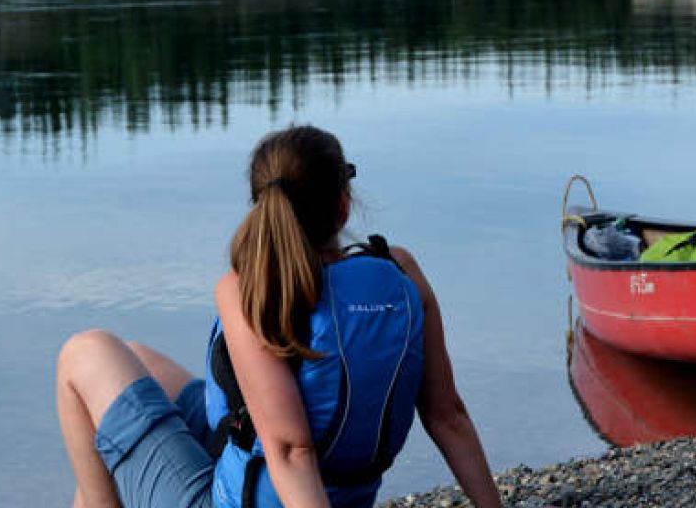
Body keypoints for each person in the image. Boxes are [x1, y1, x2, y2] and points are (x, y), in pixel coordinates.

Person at [55, 125, 504, 508]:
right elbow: (449, 418)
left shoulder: (245, 290)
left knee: (84, 353)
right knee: (134, 361)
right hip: (324, 489)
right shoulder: (402, 272)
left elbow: (291, 450)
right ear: (343, 204)